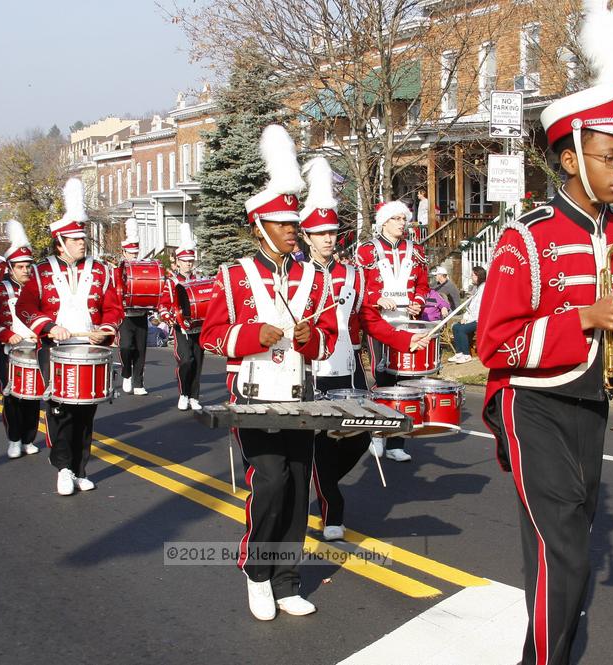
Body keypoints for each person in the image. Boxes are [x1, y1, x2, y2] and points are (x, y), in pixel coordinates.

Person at [476, 4, 613, 661]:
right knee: (565, 550)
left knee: (568, 543)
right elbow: (493, 342)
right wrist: (583, 318)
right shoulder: (529, 237)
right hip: (533, 401)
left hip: (593, 406)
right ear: (572, 159)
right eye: (611, 156)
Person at [200, 125, 337, 621]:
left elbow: (328, 337)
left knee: (299, 487)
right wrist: (251, 335)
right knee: (273, 481)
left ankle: (287, 580)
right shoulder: (234, 275)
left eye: (292, 223)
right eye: (282, 224)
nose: (292, 230)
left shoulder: (313, 276)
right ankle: (257, 573)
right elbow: (212, 336)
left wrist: (311, 339)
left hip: (299, 393)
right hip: (253, 396)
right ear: (260, 226)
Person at [299, 156, 430, 542]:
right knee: (323, 442)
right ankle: (332, 510)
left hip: (350, 365)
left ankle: (323, 483)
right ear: (306, 236)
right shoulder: (295, 276)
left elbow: (370, 320)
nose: (327, 238)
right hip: (312, 372)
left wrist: (408, 339)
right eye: (318, 233)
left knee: (358, 434)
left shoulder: (353, 273)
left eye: (331, 232)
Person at [16, 178, 124, 496]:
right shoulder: (40, 272)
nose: (82, 243)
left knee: (86, 410)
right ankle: (62, 467)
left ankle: (80, 468)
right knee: (61, 408)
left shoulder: (102, 270)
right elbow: (25, 308)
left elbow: (113, 308)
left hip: (89, 349)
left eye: (82, 238)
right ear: (60, 242)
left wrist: (105, 330)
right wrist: (48, 327)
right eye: (76, 239)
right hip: (54, 348)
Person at [357, 200, 430, 462]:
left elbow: (423, 285)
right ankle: (377, 433)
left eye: (404, 218)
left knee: (405, 381)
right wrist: (375, 299)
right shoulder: (366, 250)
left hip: (407, 322)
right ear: (384, 222)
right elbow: (359, 286)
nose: (402, 223)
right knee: (382, 375)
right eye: (396, 218)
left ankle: (396, 441)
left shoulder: (417, 250)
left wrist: (418, 302)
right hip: (379, 322)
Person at [0, 220, 42, 459]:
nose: (26, 270)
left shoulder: (39, 290)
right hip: (8, 349)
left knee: (34, 396)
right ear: (11, 267)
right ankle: (14, 439)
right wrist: (8, 335)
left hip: (34, 348)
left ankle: (29, 438)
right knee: (12, 394)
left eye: (28, 266)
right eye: (21, 266)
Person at [158, 222, 206, 410]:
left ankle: (194, 396)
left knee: (198, 362)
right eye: (185, 261)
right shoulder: (171, 283)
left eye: (190, 261)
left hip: (198, 328)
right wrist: (170, 318)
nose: (188, 264)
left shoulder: (200, 280)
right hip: (181, 328)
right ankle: (184, 393)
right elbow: (163, 305)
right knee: (186, 360)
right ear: (178, 262)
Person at [117, 218, 150, 396]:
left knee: (140, 349)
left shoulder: (145, 267)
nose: (134, 256)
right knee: (126, 347)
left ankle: (139, 382)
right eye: (131, 253)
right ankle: (126, 373)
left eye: (136, 253)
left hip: (141, 313)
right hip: (125, 315)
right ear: (124, 252)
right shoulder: (117, 269)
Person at [448, 266, 486, 364]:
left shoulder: (483, 288)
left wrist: (467, 320)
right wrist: (465, 318)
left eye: (473, 275)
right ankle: (459, 353)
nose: (471, 277)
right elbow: (471, 307)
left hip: (480, 320)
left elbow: (478, 309)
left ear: (479, 276)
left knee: (462, 329)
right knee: (456, 327)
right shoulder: (477, 288)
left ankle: (466, 355)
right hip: (472, 318)